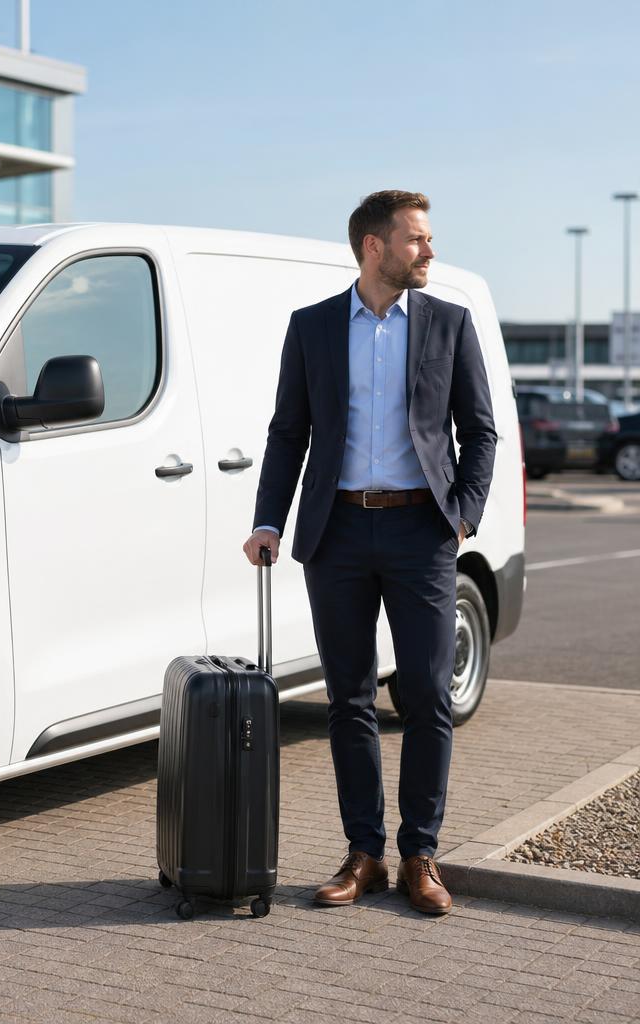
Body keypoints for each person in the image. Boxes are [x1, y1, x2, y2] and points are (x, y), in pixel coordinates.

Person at [242, 190, 497, 914]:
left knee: (424, 692)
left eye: (429, 238)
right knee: (348, 698)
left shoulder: (450, 323)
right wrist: (268, 520)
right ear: (373, 247)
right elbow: (287, 432)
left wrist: (464, 518)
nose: (429, 250)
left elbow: (480, 430)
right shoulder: (314, 327)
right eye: (417, 238)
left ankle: (421, 854)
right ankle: (365, 855)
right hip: (339, 533)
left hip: (423, 533)